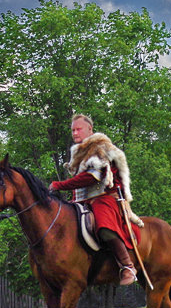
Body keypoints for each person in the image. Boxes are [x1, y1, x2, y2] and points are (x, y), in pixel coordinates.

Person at [50, 114, 143, 286]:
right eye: (73, 130)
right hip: (82, 201)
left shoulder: (99, 146)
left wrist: (60, 185)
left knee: (103, 226)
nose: (75, 133)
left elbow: (92, 177)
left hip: (104, 197)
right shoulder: (78, 152)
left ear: (90, 130)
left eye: (79, 129)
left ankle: (127, 266)